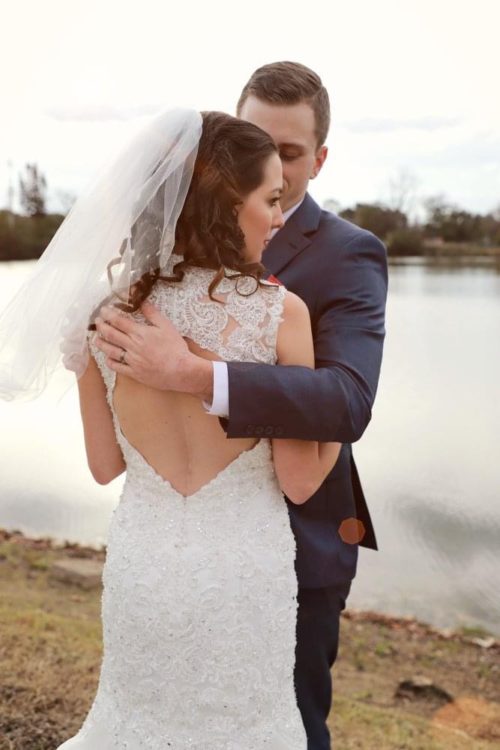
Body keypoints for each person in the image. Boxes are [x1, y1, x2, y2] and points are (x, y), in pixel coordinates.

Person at [24, 108, 353, 748]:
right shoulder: (281, 315)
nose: (280, 218)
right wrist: (333, 415)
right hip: (243, 572)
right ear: (229, 206)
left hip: (144, 565)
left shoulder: (104, 316)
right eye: (271, 199)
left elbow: (103, 466)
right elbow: (300, 482)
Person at [98, 63, 388, 749]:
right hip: (165, 548)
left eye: (290, 153)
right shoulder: (152, 262)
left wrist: (200, 375)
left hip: (299, 548)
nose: (275, 172)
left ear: (318, 157)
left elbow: (348, 397)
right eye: (258, 144)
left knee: (286, 724)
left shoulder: (350, 254)